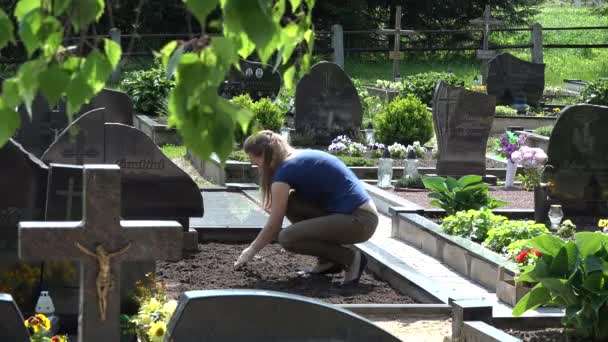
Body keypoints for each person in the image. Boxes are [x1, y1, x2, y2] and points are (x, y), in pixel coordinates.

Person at [233, 130, 379, 285]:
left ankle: (351, 258)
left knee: (287, 238)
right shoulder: (297, 157)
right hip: (357, 216)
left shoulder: (284, 171)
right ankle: (328, 261)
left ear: (265, 155)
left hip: (360, 221)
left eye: (256, 163)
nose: (256, 167)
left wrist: (251, 250)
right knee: (292, 203)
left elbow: (274, 224)